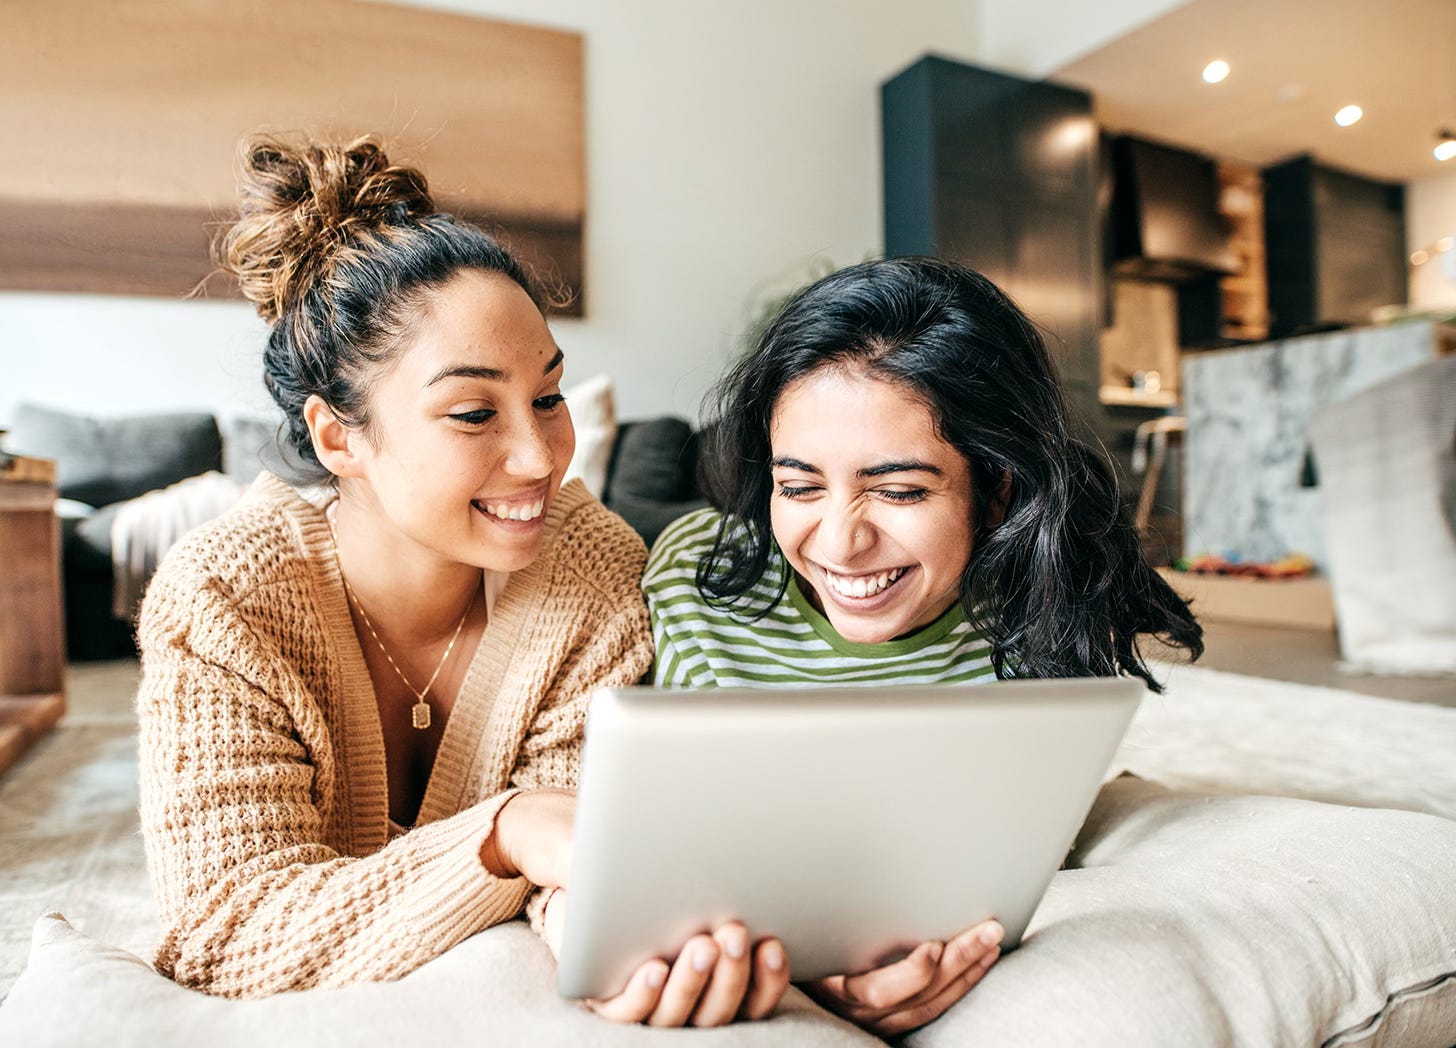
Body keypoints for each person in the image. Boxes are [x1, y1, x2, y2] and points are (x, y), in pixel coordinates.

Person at [136, 135, 789, 1025]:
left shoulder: (592, 569)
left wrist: (614, 934)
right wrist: (503, 830)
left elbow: (575, 862)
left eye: (549, 399)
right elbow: (226, 935)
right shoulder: (223, 600)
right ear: (339, 438)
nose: (539, 457)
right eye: (475, 412)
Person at [643, 256, 1204, 1035]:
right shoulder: (694, 579)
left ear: (999, 484)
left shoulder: (1042, 602)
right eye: (799, 486)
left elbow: (1010, 852)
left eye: (901, 490)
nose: (841, 542)